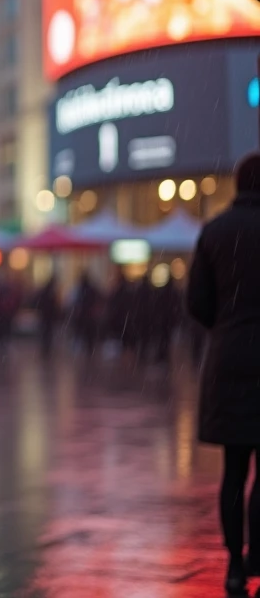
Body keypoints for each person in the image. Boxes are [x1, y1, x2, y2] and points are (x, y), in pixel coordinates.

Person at [188, 152, 260, 596]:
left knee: (233, 470)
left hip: (229, 360)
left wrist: (229, 325)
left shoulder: (214, 232)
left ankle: (234, 562)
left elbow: (197, 304)